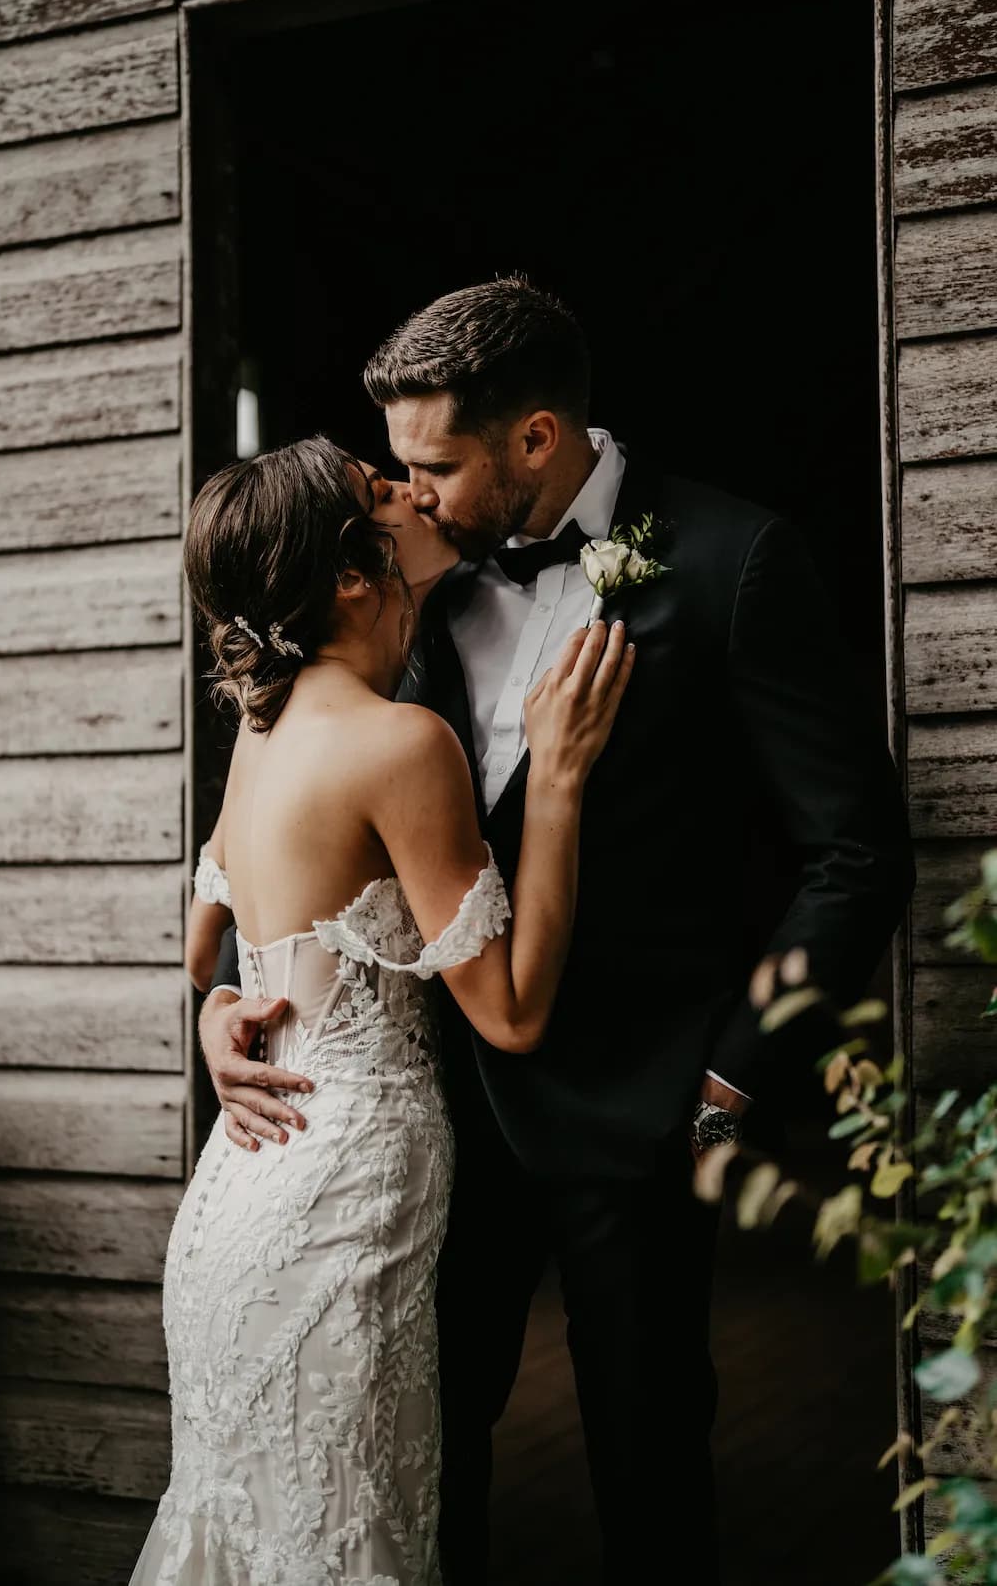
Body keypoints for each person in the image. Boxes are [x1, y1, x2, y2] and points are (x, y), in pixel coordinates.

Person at [199, 278, 917, 1584]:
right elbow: (290, 807)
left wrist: (732, 1080)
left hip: (638, 1114)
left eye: (434, 467)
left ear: (535, 437)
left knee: (649, 1461)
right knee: (417, 1453)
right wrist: (226, 996)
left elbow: (854, 851)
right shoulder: (398, 580)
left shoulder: (731, 560)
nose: (412, 496)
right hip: (423, 1113)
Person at [129, 434, 633, 1586]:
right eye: (382, 491)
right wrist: (556, 782)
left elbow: (204, 947)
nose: (411, 491)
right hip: (341, 1196)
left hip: (235, 1201)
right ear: (354, 576)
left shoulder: (259, 731)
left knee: (254, 1525)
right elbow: (510, 1013)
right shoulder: (402, 743)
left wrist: (224, 1012)